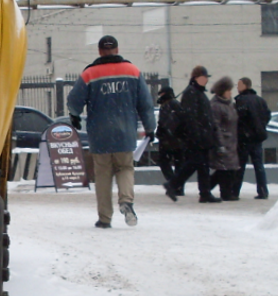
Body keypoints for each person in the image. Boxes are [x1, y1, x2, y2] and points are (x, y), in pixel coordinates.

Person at [67, 35, 156, 228]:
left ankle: (105, 218)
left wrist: (74, 115)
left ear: (99, 51)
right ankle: (126, 201)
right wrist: (150, 128)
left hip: (100, 133)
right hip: (125, 131)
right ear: (117, 49)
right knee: (125, 168)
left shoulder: (90, 74)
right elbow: (146, 104)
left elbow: (74, 99)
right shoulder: (132, 71)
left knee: (103, 174)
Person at [164, 65, 221, 203]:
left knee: (202, 166)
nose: (206, 80)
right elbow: (191, 117)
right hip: (196, 137)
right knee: (194, 164)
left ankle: (204, 193)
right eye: (204, 77)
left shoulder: (199, 92)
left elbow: (204, 116)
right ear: (197, 78)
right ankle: (173, 185)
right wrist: (196, 135)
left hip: (203, 136)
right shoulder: (191, 93)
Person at [233, 77, 271, 199]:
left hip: (244, 138)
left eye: (239, 85)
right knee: (259, 165)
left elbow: (239, 119)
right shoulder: (260, 101)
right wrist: (260, 127)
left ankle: (235, 192)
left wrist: (243, 131)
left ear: (245, 85)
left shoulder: (241, 101)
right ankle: (263, 190)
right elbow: (267, 115)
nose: (237, 87)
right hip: (258, 137)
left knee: (240, 166)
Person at [208, 76, 240, 200]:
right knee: (224, 170)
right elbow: (216, 126)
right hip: (223, 141)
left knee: (228, 169)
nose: (230, 93)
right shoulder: (216, 106)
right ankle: (224, 193)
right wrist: (220, 143)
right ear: (222, 91)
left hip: (231, 141)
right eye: (228, 90)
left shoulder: (229, 104)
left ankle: (209, 189)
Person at [155, 86, 184, 196]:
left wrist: (160, 134)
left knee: (164, 162)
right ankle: (178, 186)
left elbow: (163, 123)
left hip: (168, 140)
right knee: (179, 163)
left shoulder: (167, 106)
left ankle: (174, 184)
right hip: (177, 140)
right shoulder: (176, 104)